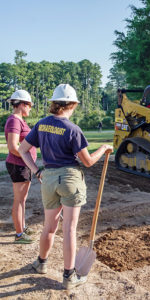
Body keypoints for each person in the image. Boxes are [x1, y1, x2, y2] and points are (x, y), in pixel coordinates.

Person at [19, 84, 113, 289]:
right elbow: (87, 161)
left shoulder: (41, 124)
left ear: (55, 103)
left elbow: (22, 149)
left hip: (48, 178)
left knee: (49, 227)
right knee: (69, 228)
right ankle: (69, 276)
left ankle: (41, 263)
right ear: (72, 104)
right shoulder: (73, 129)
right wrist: (104, 148)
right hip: (69, 179)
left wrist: (37, 171)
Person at [4, 90, 37, 244]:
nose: (30, 108)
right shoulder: (14, 121)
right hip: (19, 165)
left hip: (23, 165)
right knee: (19, 200)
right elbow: (12, 147)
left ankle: (22, 227)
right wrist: (31, 164)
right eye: (29, 105)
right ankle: (19, 235)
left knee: (22, 199)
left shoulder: (19, 120)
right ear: (23, 104)